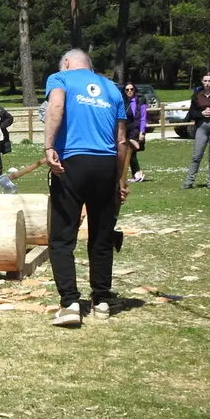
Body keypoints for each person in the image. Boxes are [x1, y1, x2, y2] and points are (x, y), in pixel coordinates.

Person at [44, 49, 129, 327]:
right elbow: (121, 139)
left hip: (72, 162)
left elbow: (56, 106)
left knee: (62, 237)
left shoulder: (60, 78)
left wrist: (48, 146)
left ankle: (70, 303)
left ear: (67, 62)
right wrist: (119, 179)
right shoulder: (112, 89)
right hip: (105, 164)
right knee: (102, 235)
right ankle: (101, 301)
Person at [181, 72, 210, 189]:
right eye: (205, 81)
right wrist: (201, 113)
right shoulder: (197, 95)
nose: (207, 83)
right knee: (196, 156)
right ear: (202, 82)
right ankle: (189, 181)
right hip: (201, 127)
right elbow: (191, 113)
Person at [123, 82, 147, 183]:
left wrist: (142, 132)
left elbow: (143, 118)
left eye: (131, 89)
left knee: (132, 153)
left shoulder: (140, 101)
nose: (129, 91)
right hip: (125, 130)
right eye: (127, 90)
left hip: (135, 130)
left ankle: (137, 174)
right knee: (126, 153)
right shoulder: (122, 102)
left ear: (134, 90)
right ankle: (134, 174)